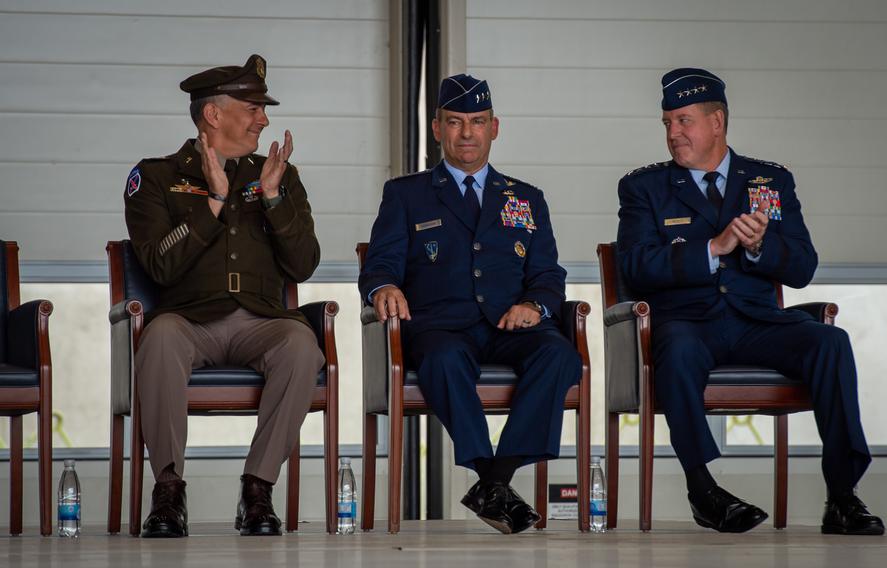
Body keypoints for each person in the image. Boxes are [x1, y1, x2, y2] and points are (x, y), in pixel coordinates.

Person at [616, 67, 884, 535]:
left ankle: (842, 496)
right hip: (688, 324)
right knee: (676, 351)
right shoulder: (644, 188)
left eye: (683, 121)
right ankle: (703, 491)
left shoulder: (770, 180)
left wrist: (761, 247)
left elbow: (802, 268)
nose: (673, 133)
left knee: (831, 342)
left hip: (756, 322)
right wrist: (712, 250)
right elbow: (636, 267)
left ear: (717, 122)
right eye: (667, 123)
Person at [359, 74, 581, 534]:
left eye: (477, 122)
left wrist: (536, 306)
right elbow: (380, 263)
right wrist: (383, 288)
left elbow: (547, 275)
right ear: (437, 128)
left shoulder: (527, 198)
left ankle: (494, 481)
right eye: (455, 122)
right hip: (442, 327)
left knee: (560, 354)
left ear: (494, 128)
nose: (466, 133)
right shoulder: (406, 194)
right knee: (442, 359)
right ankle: (492, 480)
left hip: (511, 326)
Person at [123, 54, 324, 538]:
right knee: (160, 336)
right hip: (189, 321)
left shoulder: (280, 175)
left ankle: (258, 491)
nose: (265, 118)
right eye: (252, 107)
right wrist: (212, 202)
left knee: (301, 344)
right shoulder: (155, 176)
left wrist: (274, 200)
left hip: (261, 322)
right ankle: (168, 493)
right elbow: (158, 264)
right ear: (213, 114)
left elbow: (304, 264)